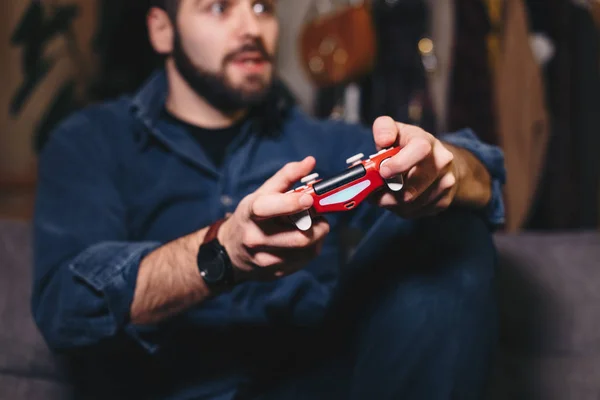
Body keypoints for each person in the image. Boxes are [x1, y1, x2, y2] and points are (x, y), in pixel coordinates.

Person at [31, 0, 506, 399]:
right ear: (162, 29)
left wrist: (447, 170)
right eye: (218, 7)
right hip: (174, 387)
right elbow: (66, 304)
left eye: (262, 7)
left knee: (451, 223)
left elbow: (483, 173)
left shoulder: (318, 139)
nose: (250, 27)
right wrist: (222, 253)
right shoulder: (90, 141)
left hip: (320, 381)